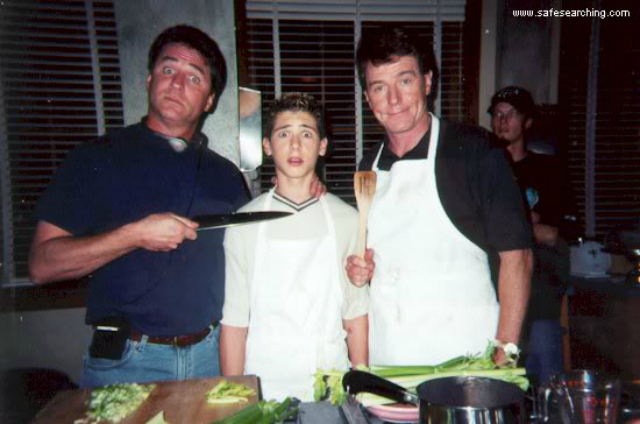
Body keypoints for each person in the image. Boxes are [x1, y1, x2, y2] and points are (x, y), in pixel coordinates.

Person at [28, 25, 248, 387]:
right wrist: (134, 235)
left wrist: (305, 189)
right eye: (168, 69)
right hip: (127, 363)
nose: (177, 83)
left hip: (212, 357)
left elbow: (255, 260)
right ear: (149, 80)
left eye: (194, 77)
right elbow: (41, 265)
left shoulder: (226, 175)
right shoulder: (95, 157)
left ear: (210, 101)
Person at [346, 27, 534, 366]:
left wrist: (504, 356)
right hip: (388, 361)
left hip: (465, 363)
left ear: (427, 82)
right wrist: (362, 267)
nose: (393, 100)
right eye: (379, 87)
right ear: (367, 97)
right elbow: (379, 257)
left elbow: (517, 258)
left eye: (405, 81)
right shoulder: (367, 166)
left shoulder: (475, 151)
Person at [219, 93, 369, 401]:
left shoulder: (348, 219)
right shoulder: (243, 224)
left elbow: (355, 313)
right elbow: (234, 322)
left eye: (307, 134)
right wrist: (236, 403)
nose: (296, 145)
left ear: (322, 145)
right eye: (284, 134)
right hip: (264, 387)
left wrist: (364, 390)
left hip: (330, 386)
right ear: (267, 145)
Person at [490, 86, 574, 384]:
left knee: (547, 385)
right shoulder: (486, 170)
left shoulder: (548, 171)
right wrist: (529, 225)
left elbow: (556, 234)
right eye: (497, 114)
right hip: (492, 298)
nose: (502, 121)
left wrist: (514, 227)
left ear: (527, 122)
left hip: (540, 298)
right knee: (500, 385)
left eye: (511, 114)